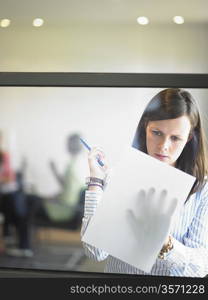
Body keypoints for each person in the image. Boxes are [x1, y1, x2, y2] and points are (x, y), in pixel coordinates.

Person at [81, 88, 208, 277]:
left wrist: (165, 243)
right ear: (145, 127)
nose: (163, 146)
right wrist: (96, 181)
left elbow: (199, 269)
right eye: (156, 133)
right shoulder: (122, 175)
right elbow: (95, 252)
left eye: (175, 138)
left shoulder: (202, 188)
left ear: (189, 137)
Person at [41, 133, 86, 229]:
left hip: (66, 208)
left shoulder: (73, 166)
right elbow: (69, 187)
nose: (66, 145)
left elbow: (67, 189)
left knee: (32, 202)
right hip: (69, 204)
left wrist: (54, 170)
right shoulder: (79, 163)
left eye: (68, 143)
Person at [0, 131, 33, 257]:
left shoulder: (5, 156)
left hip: (9, 194)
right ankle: (11, 238)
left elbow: (9, 178)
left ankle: (19, 243)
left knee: (20, 212)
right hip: (7, 195)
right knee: (18, 211)